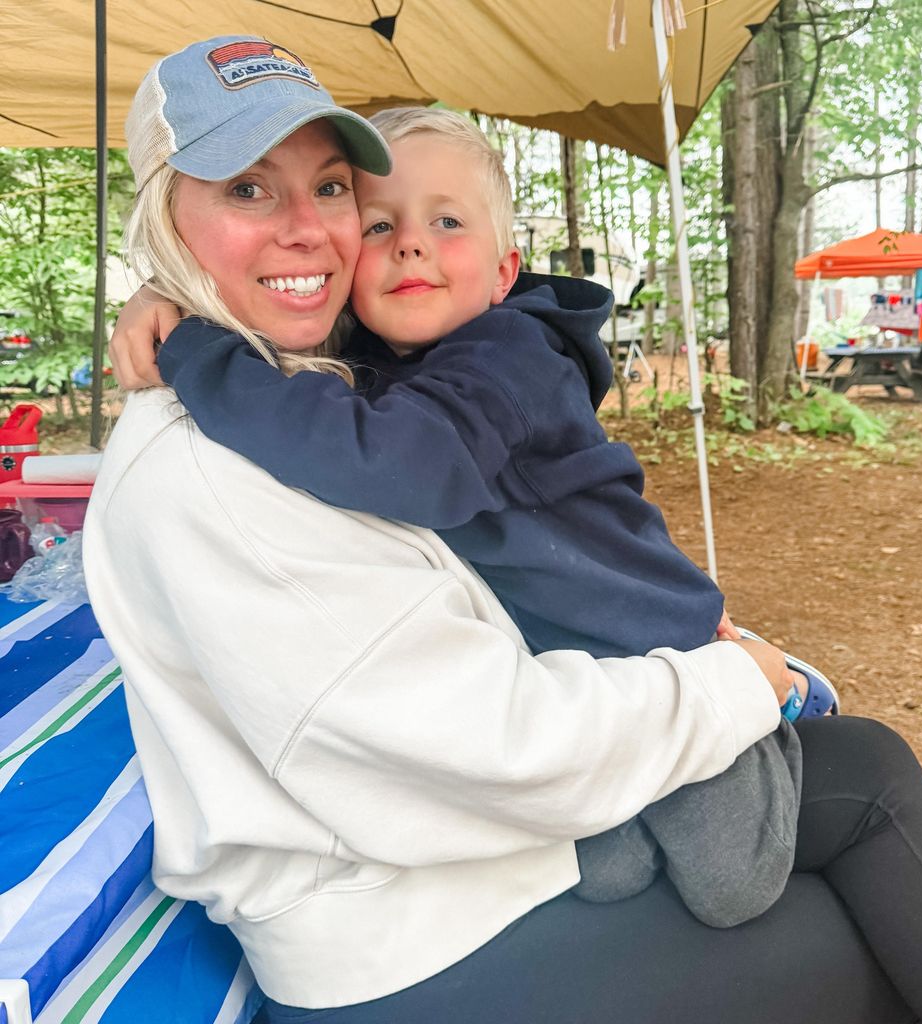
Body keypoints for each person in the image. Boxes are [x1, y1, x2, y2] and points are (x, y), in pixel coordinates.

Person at [88, 35, 922, 1024]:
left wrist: (177, 308)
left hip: (463, 862)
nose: (310, 232)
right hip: (419, 943)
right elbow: (499, 745)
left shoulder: (291, 381)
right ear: (163, 216)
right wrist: (737, 682)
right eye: (244, 191)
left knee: (862, 770)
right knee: (877, 936)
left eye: (328, 190)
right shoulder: (212, 468)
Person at [113, 104, 842, 927]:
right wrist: (165, 292)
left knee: (731, 886)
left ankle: (782, 704)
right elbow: (270, 306)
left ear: (504, 275)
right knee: (610, 873)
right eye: (380, 224)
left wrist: (198, 349)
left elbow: (401, 465)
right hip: (563, 665)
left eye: (447, 221)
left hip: (649, 633)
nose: (410, 244)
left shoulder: (511, 353)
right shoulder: (370, 360)